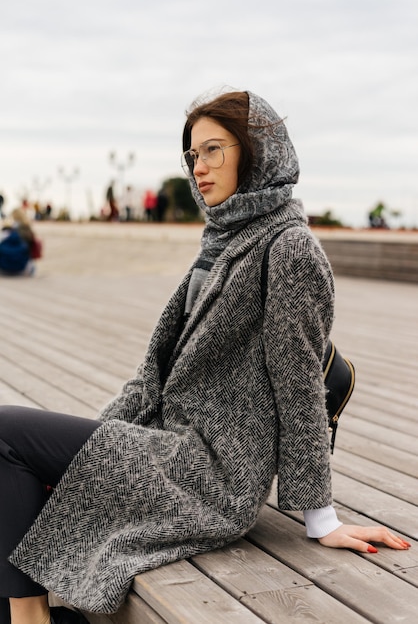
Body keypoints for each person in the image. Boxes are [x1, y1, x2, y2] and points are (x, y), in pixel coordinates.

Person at [0, 90, 410, 624]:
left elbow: (300, 383)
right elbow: (152, 380)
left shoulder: (288, 248)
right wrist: (81, 450)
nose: (199, 168)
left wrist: (322, 517)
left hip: (210, 475)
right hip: (164, 447)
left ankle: (30, 619)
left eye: (214, 150)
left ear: (256, 151)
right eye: (193, 155)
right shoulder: (220, 242)